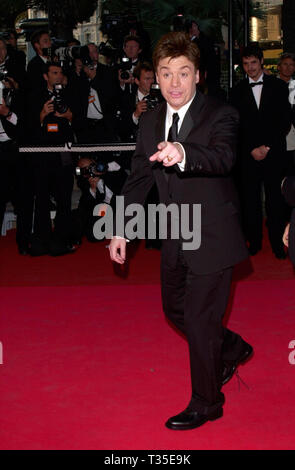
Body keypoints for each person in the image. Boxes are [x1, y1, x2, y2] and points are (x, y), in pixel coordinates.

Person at [109, 31, 252, 431]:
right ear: (155, 76)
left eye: (183, 74)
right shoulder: (151, 119)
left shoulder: (221, 114)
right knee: (175, 309)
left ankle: (208, 402)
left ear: (198, 76)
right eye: (166, 73)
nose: (174, 83)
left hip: (214, 234)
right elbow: (139, 178)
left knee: (201, 319)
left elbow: (223, 156)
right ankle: (232, 347)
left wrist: (184, 151)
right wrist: (121, 228)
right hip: (176, 233)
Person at [230, 45, 292, 259]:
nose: (250, 68)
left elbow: (284, 121)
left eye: (253, 63)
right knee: (250, 201)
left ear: (262, 61)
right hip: (248, 157)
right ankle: (253, 242)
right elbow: (235, 126)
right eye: (246, 64)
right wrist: (250, 150)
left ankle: (277, 243)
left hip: (273, 153)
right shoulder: (236, 91)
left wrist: (267, 147)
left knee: (275, 200)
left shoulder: (278, 86)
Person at [277, 53, 295, 175]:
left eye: (291, 65)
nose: (288, 68)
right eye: (285, 64)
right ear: (279, 67)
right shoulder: (271, 85)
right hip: (277, 134)